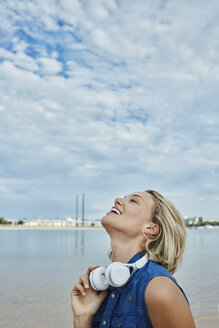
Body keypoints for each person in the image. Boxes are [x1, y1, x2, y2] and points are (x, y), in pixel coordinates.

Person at [71, 190, 196, 328]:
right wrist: (82, 317)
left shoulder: (160, 289)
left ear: (151, 228)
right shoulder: (103, 289)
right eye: (124, 197)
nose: (117, 199)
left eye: (133, 200)